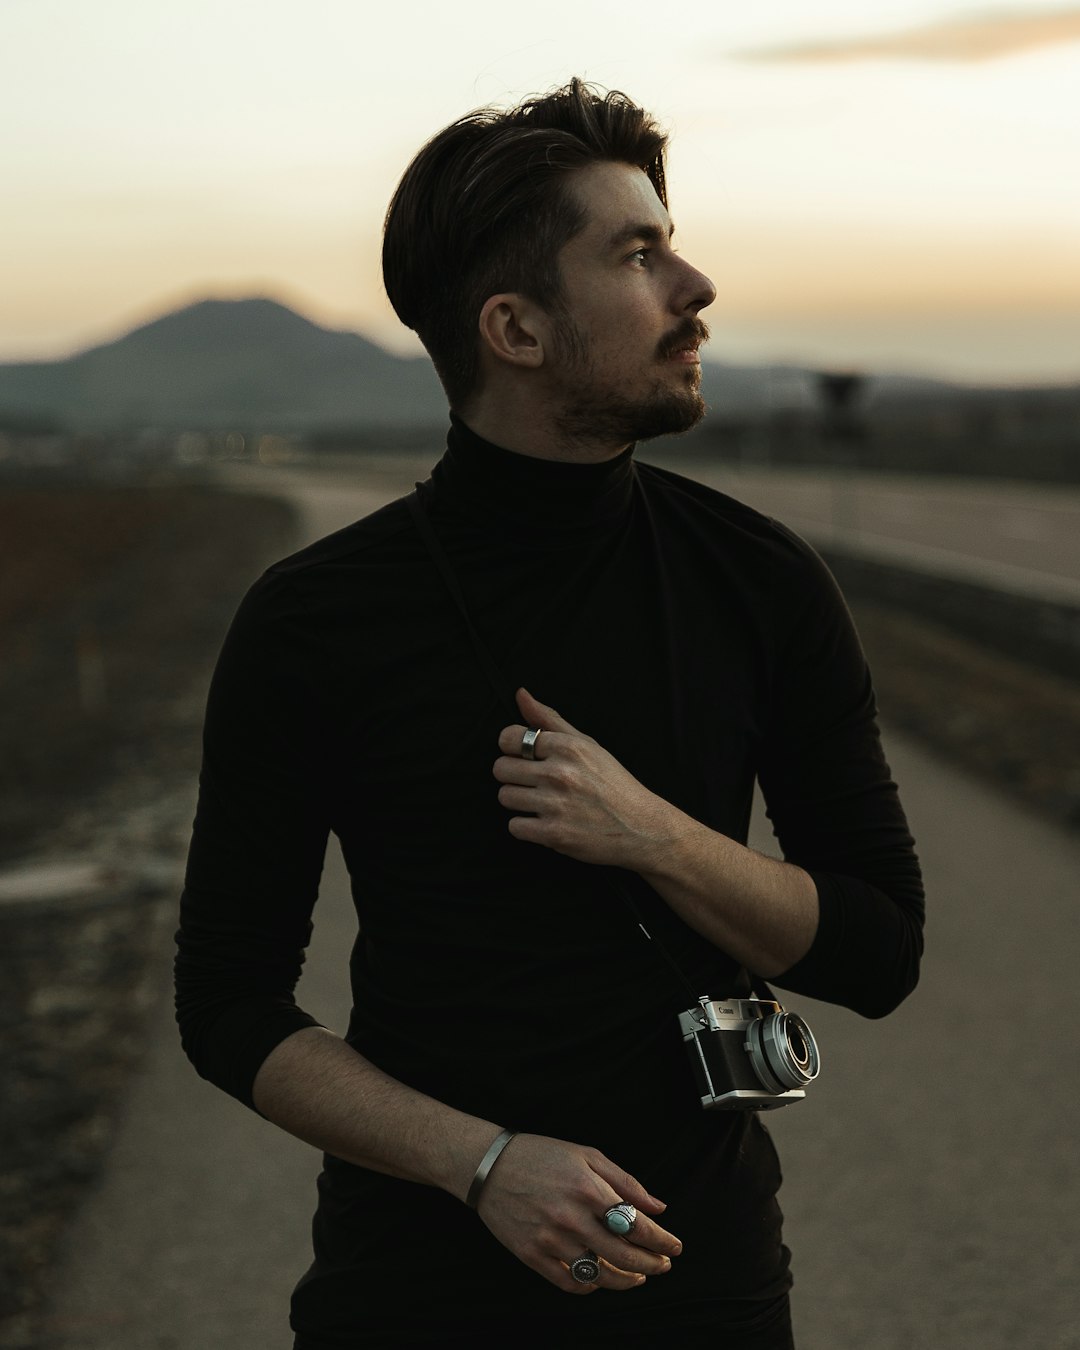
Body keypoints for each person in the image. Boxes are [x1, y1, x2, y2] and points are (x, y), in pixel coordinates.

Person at [175, 78, 924, 1349]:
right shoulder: (316, 620)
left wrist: (654, 836)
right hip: (414, 1287)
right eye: (638, 255)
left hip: (707, 1284)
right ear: (516, 329)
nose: (696, 288)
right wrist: (481, 1162)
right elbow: (228, 1006)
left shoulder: (759, 578)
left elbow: (877, 950)